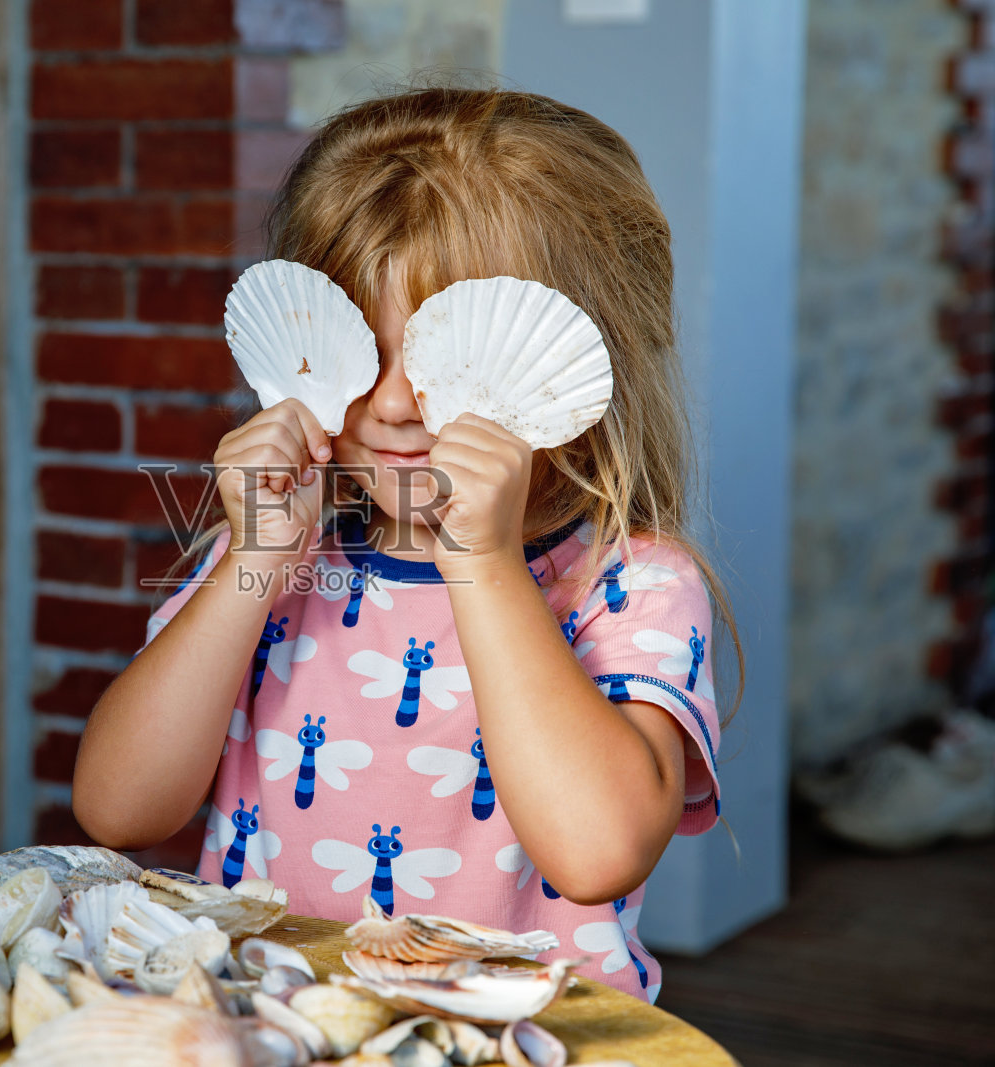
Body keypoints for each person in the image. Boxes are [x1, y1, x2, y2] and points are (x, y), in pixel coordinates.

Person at [72, 86, 742, 1004]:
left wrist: (487, 562)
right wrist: (253, 562)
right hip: (282, 1025)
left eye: (439, 358)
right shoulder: (277, 558)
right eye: (358, 350)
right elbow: (118, 807)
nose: (390, 404)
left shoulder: (631, 587)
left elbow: (597, 852)